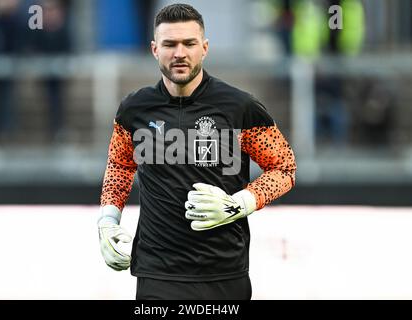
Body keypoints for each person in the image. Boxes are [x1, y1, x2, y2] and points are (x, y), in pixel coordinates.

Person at [98, 3, 296, 300]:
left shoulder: (240, 107)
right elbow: (120, 166)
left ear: (204, 48)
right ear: (154, 49)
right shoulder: (134, 109)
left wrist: (239, 204)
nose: (179, 53)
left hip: (224, 272)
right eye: (170, 44)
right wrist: (107, 221)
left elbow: (284, 168)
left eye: (189, 43)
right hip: (156, 273)